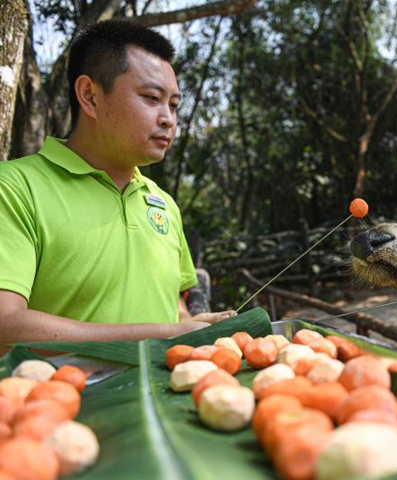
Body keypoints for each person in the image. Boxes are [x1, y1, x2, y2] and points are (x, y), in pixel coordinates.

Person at [0, 19, 235, 353]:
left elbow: (175, 307)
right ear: (90, 96)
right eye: (152, 97)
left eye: (174, 105)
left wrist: (188, 330)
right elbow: (5, 326)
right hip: (59, 402)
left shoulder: (163, 203)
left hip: (166, 402)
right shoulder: (14, 188)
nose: (168, 118)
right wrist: (160, 333)